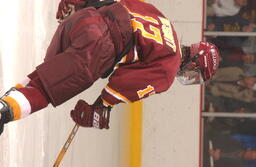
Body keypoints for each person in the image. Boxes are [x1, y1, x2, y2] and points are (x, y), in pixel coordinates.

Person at [0, 0, 220, 134]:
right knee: (45, 90)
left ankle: (5, 104)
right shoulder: (169, 67)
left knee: (44, 77)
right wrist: (101, 108)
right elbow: (126, 84)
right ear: (193, 62)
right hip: (97, 47)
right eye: (194, 73)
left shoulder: (163, 19)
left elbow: (117, 3)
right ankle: (2, 112)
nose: (189, 76)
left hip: (85, 18)